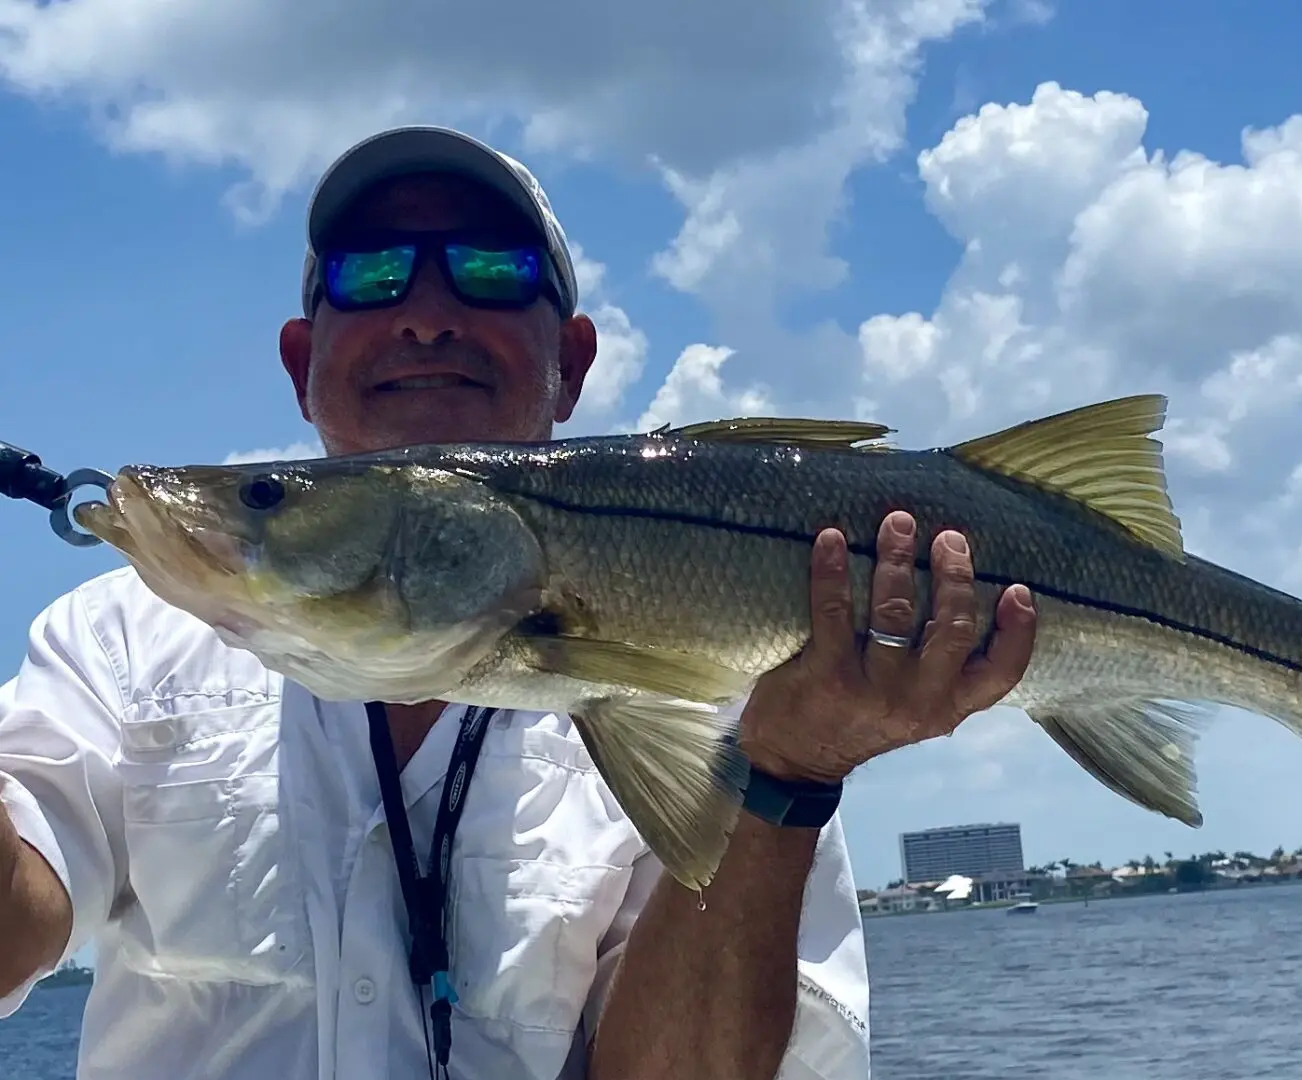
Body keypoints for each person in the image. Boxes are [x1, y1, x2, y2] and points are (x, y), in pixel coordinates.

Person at [0, 125, 1038, 1080]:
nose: (427, 314)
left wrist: (785, 773)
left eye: (494, 273)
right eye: (371, 274)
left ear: (572, 364)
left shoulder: (743, 681)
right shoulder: (116, 645)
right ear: (302, 364)